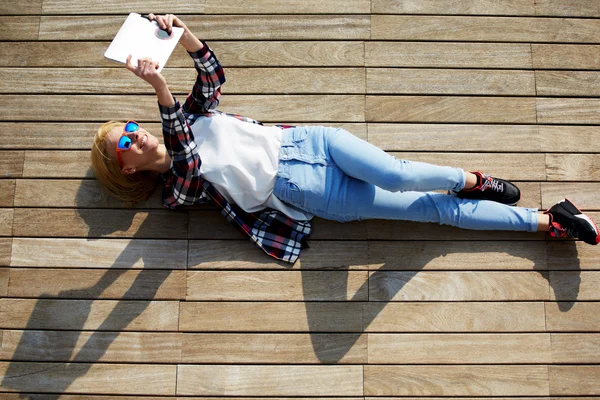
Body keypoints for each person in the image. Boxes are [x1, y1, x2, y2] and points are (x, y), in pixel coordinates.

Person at [91, 13, 599, 263]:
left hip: (309, 144)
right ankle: (549, 222)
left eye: (130, 126)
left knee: (398, 173)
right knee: (431, 210)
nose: (134, 136)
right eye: (124, 142)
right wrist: (159, 87)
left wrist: (182, 35)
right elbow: (184, 155)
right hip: (304, 190)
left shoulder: (193, 113)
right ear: (127, 168)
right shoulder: (179, 191)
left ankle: (473, 178)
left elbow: (213, 79)